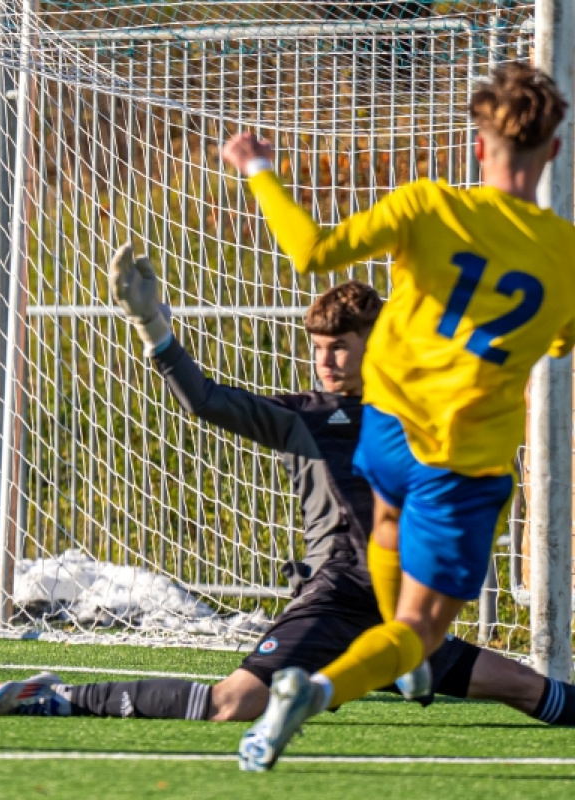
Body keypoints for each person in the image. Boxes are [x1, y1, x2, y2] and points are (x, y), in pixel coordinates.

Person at [0, 259, 575, 731]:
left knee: (528, 690)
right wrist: (152, 326)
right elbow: (207, 400)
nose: (325, 361)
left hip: (404, 614)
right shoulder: (304, 417)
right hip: (335, 602)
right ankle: (57, 696)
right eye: (317, 348)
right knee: (232, 704)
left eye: (339, 346)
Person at [220, 60, 575, 771]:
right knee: (418, 630)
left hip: (384, 433)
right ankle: (317, 689)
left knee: (385, 525)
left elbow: (312, 251)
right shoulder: (564, 258)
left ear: (479, 146)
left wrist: (259, 168)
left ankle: (401, 660)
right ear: (554, 151)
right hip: (461, 465)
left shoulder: (427, 205)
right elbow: (558, 340)